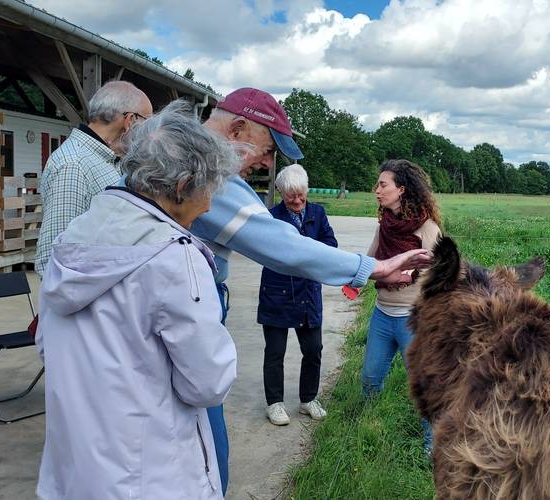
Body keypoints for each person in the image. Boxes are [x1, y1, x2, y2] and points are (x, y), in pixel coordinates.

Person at [192, 87, 431, 493]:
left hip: (197, 320)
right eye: (268, 150)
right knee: (208, 463)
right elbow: (284, 248)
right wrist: (375, 268)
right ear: (236, 128)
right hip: (188, 324)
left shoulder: (187, 163)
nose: (267, 163)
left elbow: (317, 247)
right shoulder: (206, 176)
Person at [35, 101, 239, 499]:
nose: (210, 204)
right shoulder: (175, 257)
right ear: (181, 187)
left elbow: (47, 345)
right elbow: (207, 383)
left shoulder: (72, 239)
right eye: (209, 188)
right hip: (150, 476)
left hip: (74, 471)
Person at [359, 159, 443, 454]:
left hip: (413, 321)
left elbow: (440, 275)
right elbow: (369, 260)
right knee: (369, 378)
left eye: (383, 185)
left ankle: (432, 447)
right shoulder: (384, 226)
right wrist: (353, 276)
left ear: (401, 190)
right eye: (378, 185)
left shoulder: (427, 228)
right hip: (382, 316)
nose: (377, 190)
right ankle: (369, 428)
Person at [35, 80, 153, 273]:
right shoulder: (74, 164)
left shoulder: (105, 160)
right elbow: (54, 255)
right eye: (147, 122)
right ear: (130, 120)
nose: (149, 133)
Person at [257, 164, 334, 426]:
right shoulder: (270, 218)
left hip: (308, 293)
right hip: (277, 293)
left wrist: (305, 253)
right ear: (280, 192)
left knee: (313, 349)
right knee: (275, 352)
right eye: (291, 196)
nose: (298, 201)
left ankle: (308, 399)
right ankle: (274, 403)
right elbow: (266, 252)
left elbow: (330, 245)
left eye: (302, 195)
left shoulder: (318, 213)